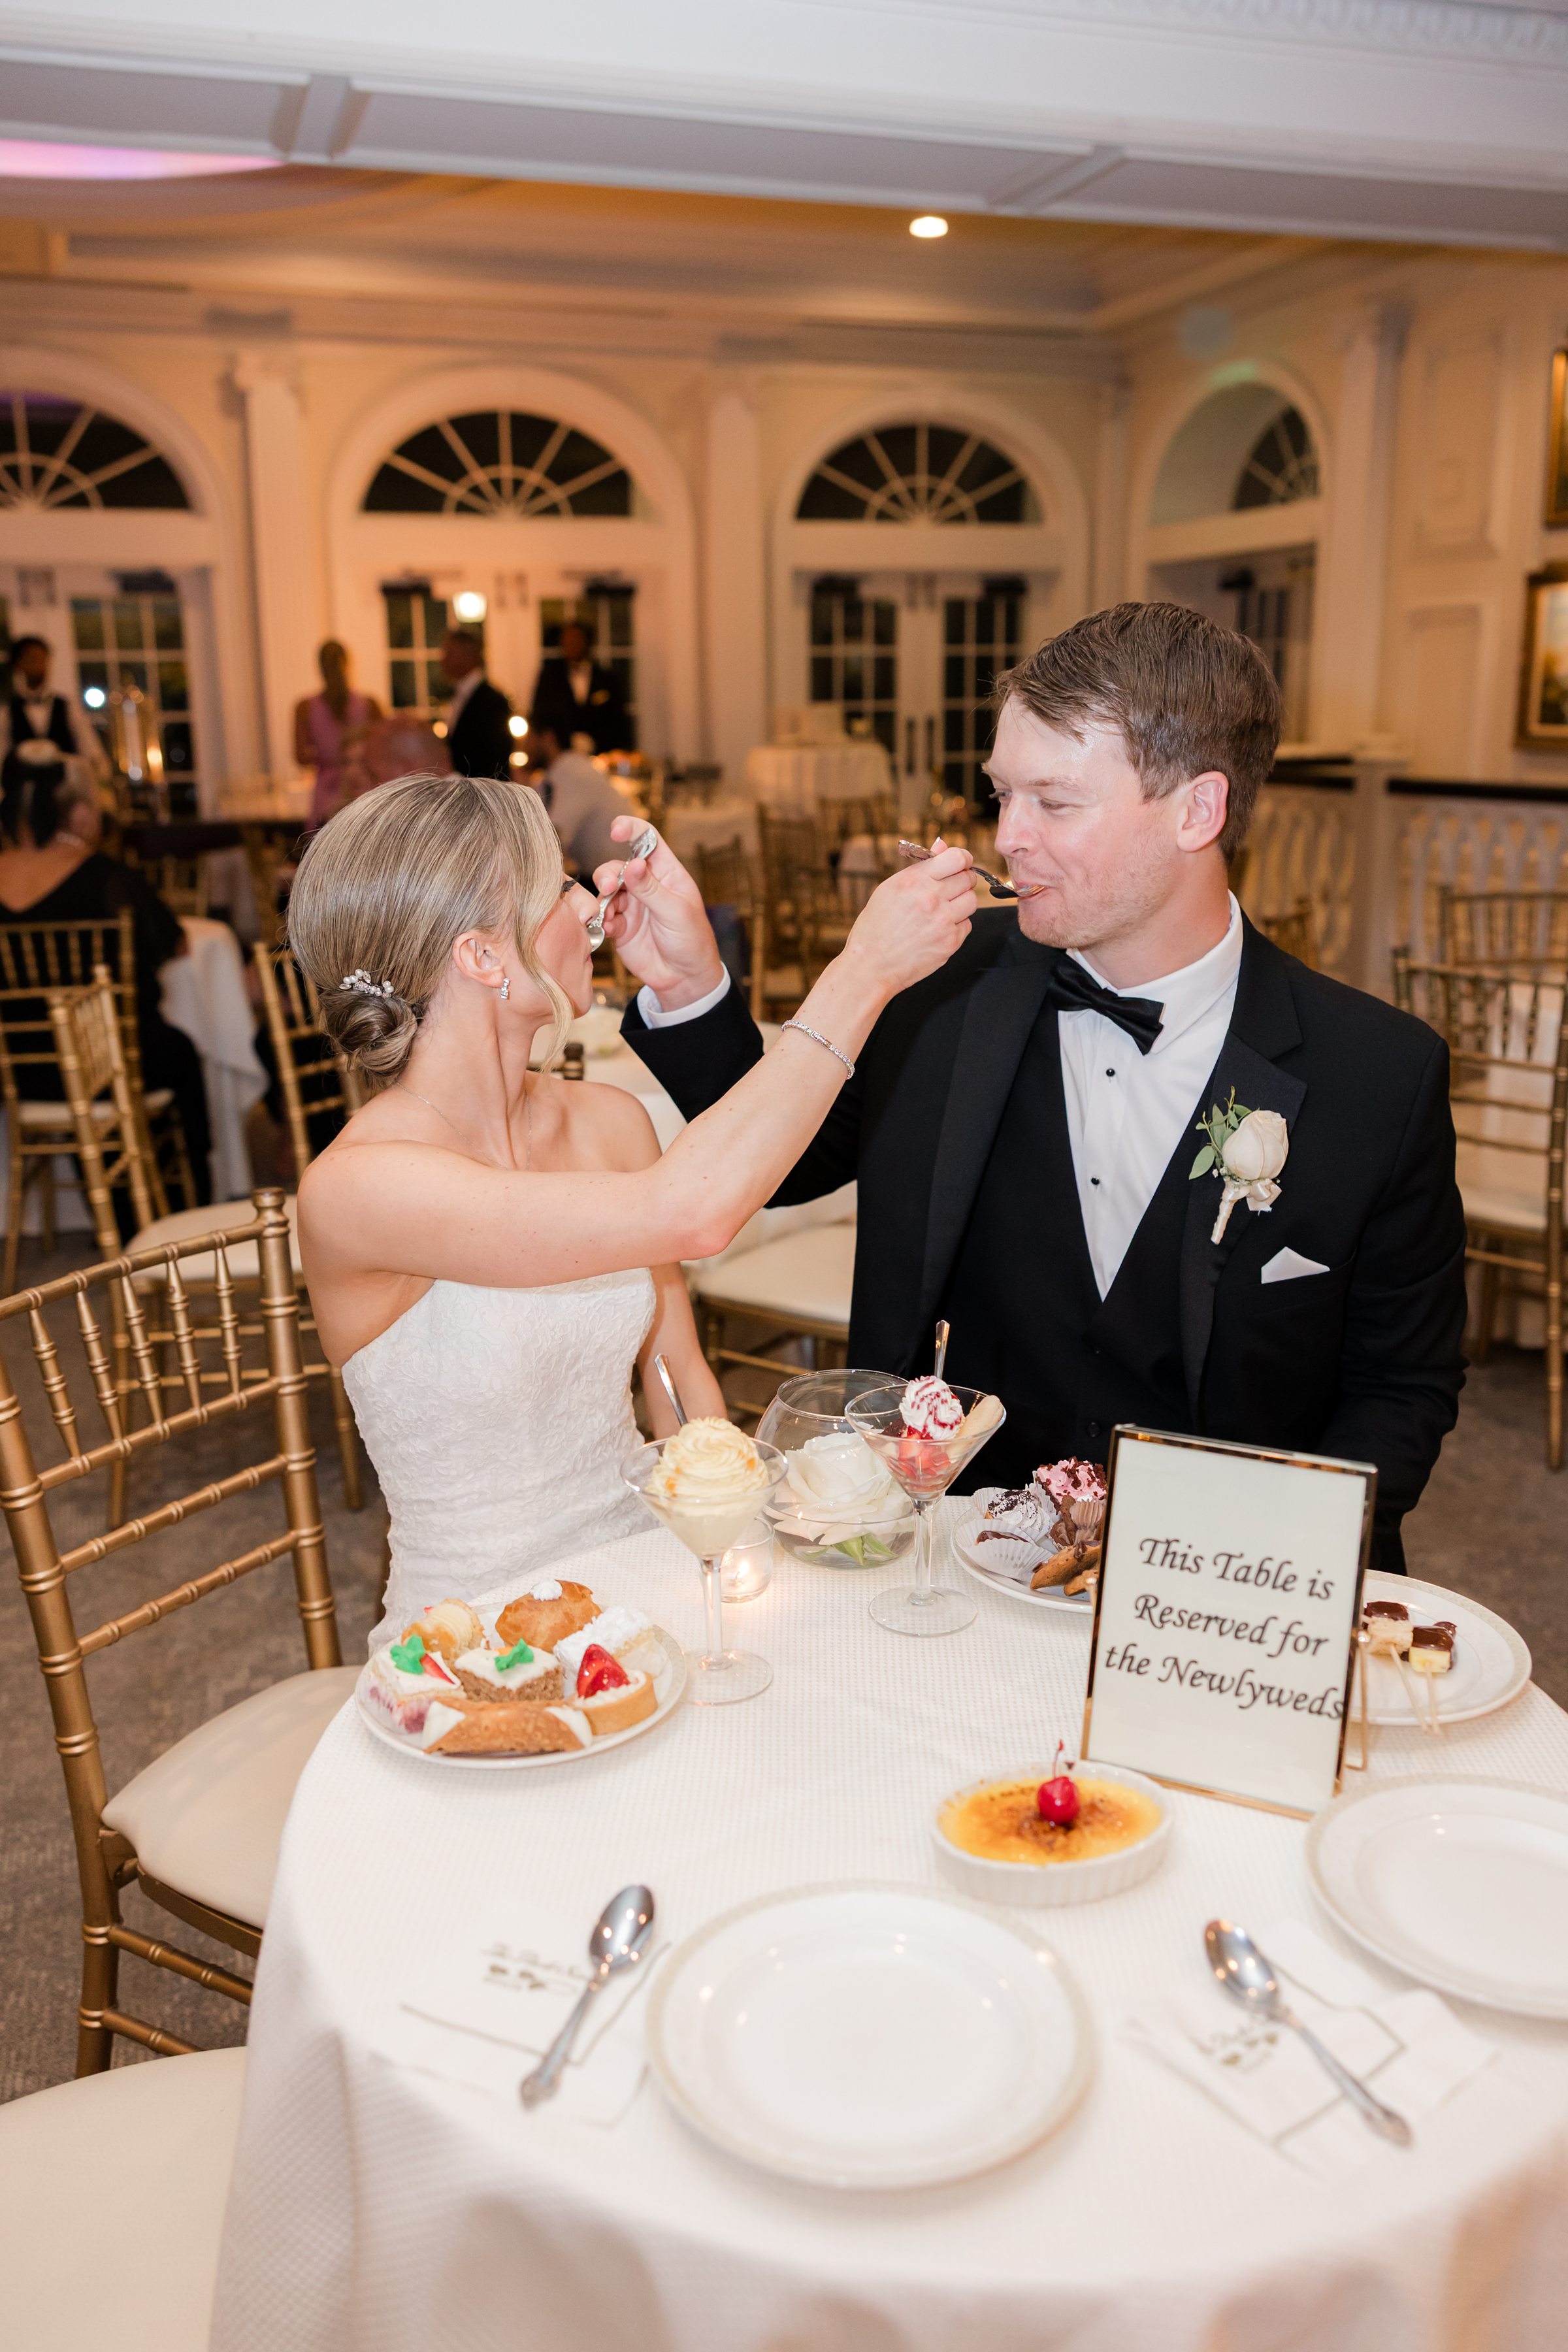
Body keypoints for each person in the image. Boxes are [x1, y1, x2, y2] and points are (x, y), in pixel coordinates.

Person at [607, 601, 1469, 1576]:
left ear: (1199, 809)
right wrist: (688, 989)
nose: (1007, 838)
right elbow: (783, 1158)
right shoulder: (939, 980)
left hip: (1216, 1603)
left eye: (1055, 804)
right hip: (945, 1570)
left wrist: (1255, 1570)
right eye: (1000, 795)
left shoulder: (1379, 1073)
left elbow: (1402, 1388)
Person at [289, 772, 974, 1639]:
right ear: (481, 956)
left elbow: (676, 1378)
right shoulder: (362, 1188)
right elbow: (694, 1211)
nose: (589, 904)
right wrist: (863, 973)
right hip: (475, 1641)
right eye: (557, 887)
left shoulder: (608, 1123)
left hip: (648, 1586)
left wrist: (732, 1550)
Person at [0, 748, 212, 1202]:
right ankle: (189, 1200)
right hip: (116, 1064)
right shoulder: (106, 876)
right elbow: (172, 944)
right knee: (182, 1054)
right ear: (78, 814)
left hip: (20, 1072)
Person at [293, 640, 381, 830]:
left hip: (328, 789)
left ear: (320, 668)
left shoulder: (305, 708)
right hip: (362, 783)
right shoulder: (369, 705)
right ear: (348, 665)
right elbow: (383, 750)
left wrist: (328, 757)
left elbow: (300, 756)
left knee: (325, 841)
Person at [526, 725, 633, 875]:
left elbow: (553, 837)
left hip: (620, 877)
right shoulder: (557, 773)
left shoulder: (572, 773)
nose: (524, 746)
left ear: (548, 738)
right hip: (606, 872)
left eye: (528, 738)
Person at [1, 635, 110, 781]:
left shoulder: (68, 707)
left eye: (44, 659)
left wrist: (101, 778)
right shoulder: (8, 712)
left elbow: (90, 750)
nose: (41, 666)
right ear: (19, 664)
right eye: (33, 659)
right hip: (23, 791)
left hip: (64, 790)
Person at [529, 619, 629, 756]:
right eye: (566, 640)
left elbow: (618, 720)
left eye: (576, 640)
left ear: (587, 642)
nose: (570, 645)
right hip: (560, 756)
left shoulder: (606, 679)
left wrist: (596, 743)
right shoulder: (550, 677)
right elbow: (540, 717)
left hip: (602, 755)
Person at [440, 629, 515, 781]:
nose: (443, 661)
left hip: (483, 791)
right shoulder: (459, 695)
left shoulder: (492, 701)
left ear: (469, 656)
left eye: (450, 654)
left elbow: (496, 756)